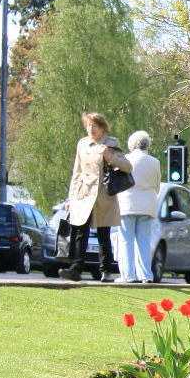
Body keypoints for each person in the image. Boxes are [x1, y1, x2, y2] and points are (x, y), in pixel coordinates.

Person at [62, 112, 132, 283]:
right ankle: (76, 268)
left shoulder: (111, 143)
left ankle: (106, 270)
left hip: (102, 195)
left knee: (103, 233)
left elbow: (128, 167)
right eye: (88, 126)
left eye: (94, 126)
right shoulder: (82, 144)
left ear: (102, 128)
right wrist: (71, 198)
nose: (90, 129)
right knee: (80, 231)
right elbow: (77, 172)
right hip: (83, 194)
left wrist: (110, 157)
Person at [115, 130, 159, 283]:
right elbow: (156, 186)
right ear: (147, 145)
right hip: (147, 204)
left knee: (126, 239)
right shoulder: (155, 162)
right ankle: (146, 275)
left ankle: (127, 275)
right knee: (144, 240)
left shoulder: (125, 160)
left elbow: (118, 183)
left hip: (127, 203)